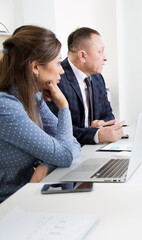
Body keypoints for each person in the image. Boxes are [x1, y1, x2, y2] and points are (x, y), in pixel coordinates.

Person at [0, 25, 81, 202]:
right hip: (9, 204)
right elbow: (65, 155)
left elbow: (72, 144)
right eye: (58, 63)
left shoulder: (33, 96)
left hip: (32, 194)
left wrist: (45, 166)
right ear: (35, 67)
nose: (62, 70)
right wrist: (63, 107)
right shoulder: (5, 106)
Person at [47, 27, 124, 145]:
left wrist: (102, 123)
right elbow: (56, 128)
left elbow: (108, 114)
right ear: (82, 56)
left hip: (94, 149)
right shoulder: (57, 80)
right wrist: (95, 135)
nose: (105, 58)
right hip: (70, 150)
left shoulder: (97, 78)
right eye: (100, 52)